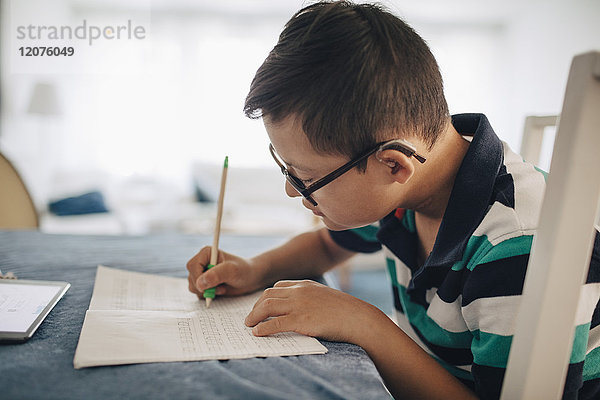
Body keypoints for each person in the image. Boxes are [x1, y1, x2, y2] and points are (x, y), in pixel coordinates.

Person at [186, 2, 600, 399]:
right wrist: (256, 268)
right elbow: (328, 244)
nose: (291, 191)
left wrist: (365, 323)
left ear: (394, 166)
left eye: (306, 178)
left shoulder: (516, 246)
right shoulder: (409, 187)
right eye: (286, 168)